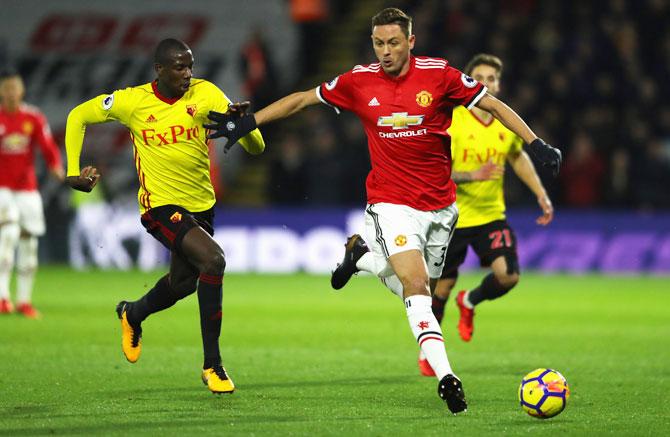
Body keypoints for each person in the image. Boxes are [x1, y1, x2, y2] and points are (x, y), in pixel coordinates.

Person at [206, 8, 561, 413]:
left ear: (411, 41)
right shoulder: (359, 80)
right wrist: (250, 121)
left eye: (394, 42)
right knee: (415, 286)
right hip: (391, 202)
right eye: (379, 43)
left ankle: (361, 259)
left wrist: (535, 143)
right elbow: (303, 100)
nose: (386, 51)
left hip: (442, 207)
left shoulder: (440, 75)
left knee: (415, 286)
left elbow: (494, 107)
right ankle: (447, 376)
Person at [64, 38, 265, 394]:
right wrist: (72, 171)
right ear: (159, 69)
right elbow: (78, 115)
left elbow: (257, 147)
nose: (188, 73)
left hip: (201, 206)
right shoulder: (132, 101)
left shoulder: (207, 94)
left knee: (184, 283)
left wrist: (242, 126)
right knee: (214, 261)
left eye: (190, 66)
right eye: (179, 67)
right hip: (160, 207)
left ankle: (132, 313)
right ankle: (212, 365)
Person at [418, 54, 555, 377]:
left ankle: (470, 302)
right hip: (450, 217)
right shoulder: (451, 120)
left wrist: (540, 193)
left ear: (498, 83)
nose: (486, 83)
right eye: (479, 77)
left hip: (491, 216)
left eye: (491, 78)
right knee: (438, 292)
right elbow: (433, 171)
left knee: (509, 275)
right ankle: (429, 352)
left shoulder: (505, 124)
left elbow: (517, 158)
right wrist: (472, 175)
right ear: (468, 81)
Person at [0, 71, 64, 318]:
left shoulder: (33, 117)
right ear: (2, 92)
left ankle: (24, 301)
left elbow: (47, 146)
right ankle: (3, 297)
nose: (11, 93)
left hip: (27, 189)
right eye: (6, 88)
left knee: (29, 244)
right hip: (3, 188)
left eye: (14, 88)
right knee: (7, 236)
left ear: (22, 90)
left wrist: (56, 167)